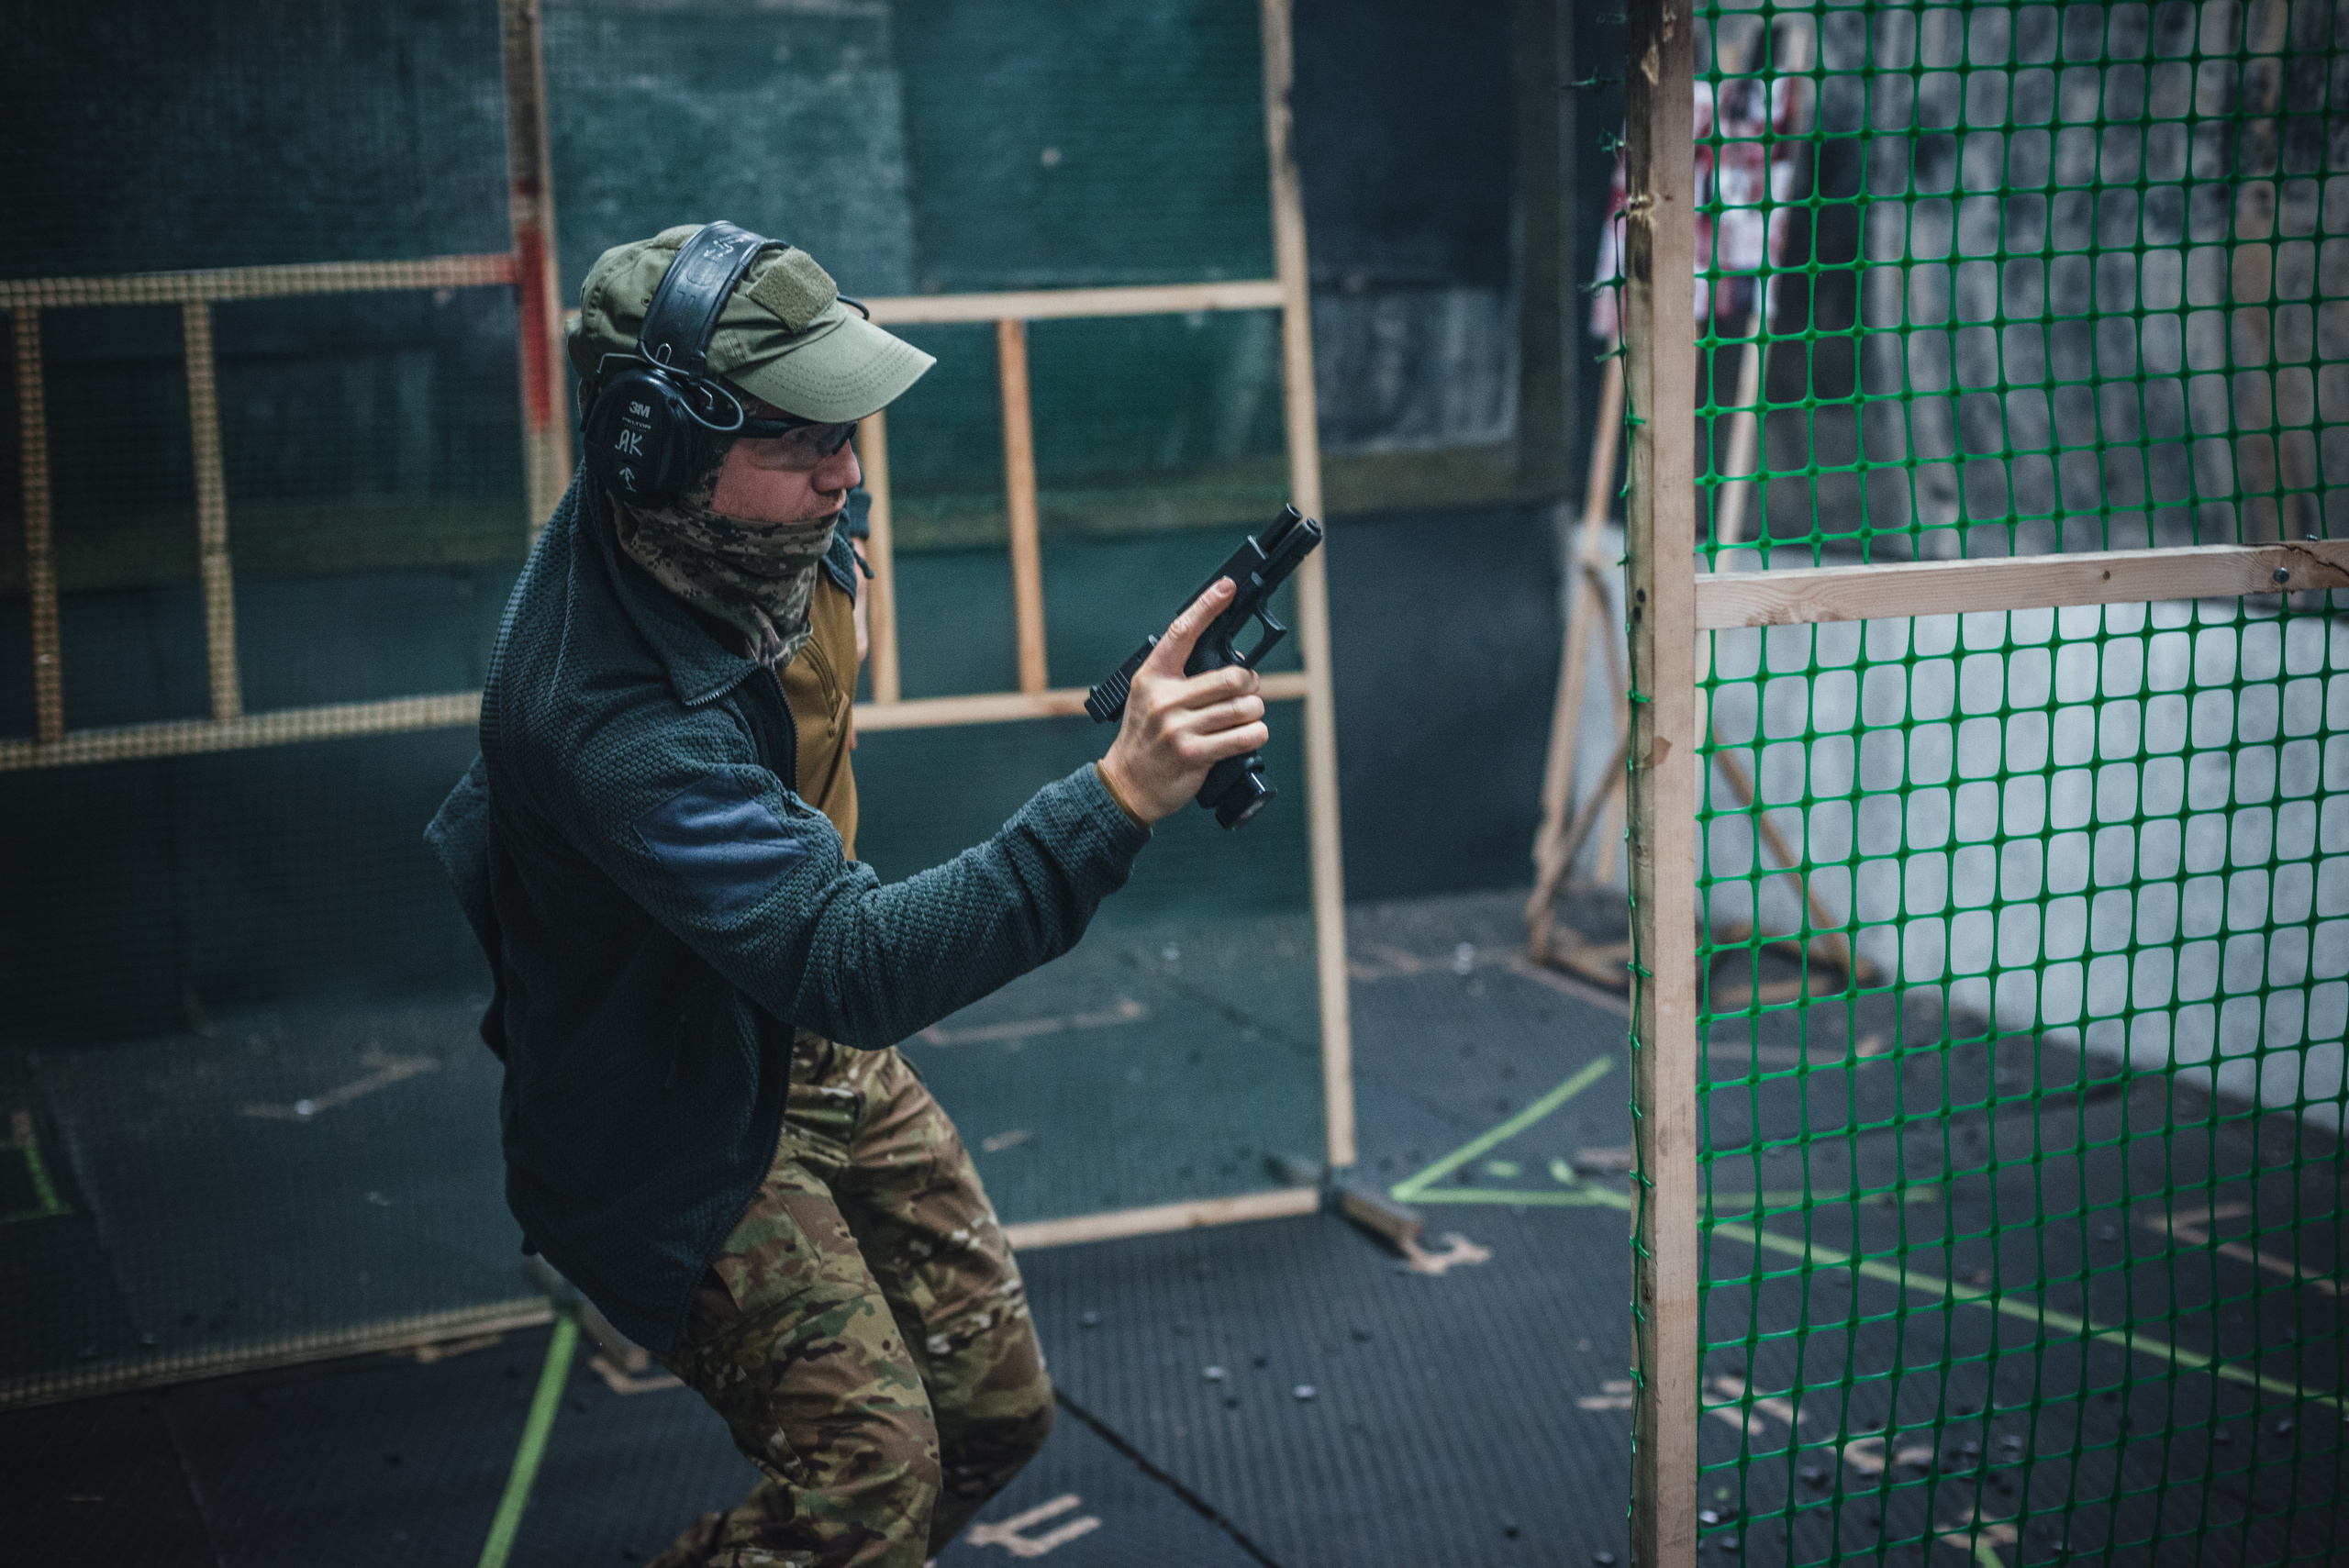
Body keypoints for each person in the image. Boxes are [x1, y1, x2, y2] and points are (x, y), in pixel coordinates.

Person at [426, 223, 1269, 1568]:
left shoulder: (752, 531)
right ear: (651, 449)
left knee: (999, 1415)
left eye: (851, 431)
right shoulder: (608, 726)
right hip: (671, 1118)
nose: (845, 473)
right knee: (869, 1484)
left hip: (798, 1040)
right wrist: (1114, 798)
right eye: (802, 445)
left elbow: (803, 536)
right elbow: (852, 961)